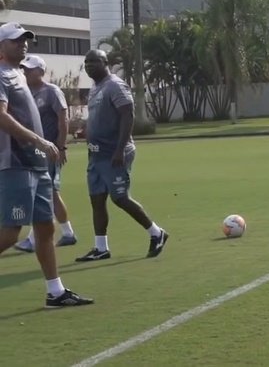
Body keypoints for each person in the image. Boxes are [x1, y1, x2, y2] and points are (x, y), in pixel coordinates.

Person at [0, 22, 93, 307]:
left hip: (35, 164)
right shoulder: (1, 75)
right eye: (16, 40)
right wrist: (39, 141)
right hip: (15, 162)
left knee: (45, 227)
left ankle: (56, 292)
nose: (23, 44)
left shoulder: (18, 73)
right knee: (12, 230)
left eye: (26, 40)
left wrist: (41, 148)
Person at [75, 49, 168, 262]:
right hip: (96, 155)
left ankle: (156, 233)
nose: (89, 65)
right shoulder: (96, 88)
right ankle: (101, 248)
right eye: (86, 62)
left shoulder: (114, 85)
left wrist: (120, 148)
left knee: (120, 198)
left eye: (94, 61)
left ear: (105, 62)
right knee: (97, 200)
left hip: (115, 153)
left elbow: (128, 114)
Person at [14, 55, 78, 252]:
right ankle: (67, 233)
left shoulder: (52, 91)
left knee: (45, 192)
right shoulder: (24, 92)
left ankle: (35, 239)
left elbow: (63, 119)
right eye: (24, 69)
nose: (25, 72)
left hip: (48, 150)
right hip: (32, 151)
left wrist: (61, 147)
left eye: (30, 69)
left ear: (41, 71)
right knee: (48, 192)